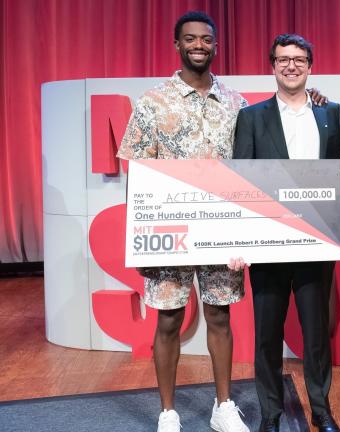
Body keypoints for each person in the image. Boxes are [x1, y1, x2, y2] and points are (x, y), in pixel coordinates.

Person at [230, 34, 340, 432]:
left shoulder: (329, 113)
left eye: (299, 59)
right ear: (272, 65)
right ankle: (271, 414)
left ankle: (321, 411)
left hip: (317, 237)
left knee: (315, 334)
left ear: (311, 66)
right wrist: (238, 240)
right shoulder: (252, 117)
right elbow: (241, 179)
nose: (291, 66)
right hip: (268, 242)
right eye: (283, 59)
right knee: (267, 336)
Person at [117, 11, 250, 432]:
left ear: (215, 46)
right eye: (190, 39)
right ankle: (168, 412)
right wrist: (139, 240)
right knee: (169, 319)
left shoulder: (236, 103)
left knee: (219, 317)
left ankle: (223, 406)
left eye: (206, 39)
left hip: (220, 230)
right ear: (177, 45)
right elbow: (135, 173)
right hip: (169, 233)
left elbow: (248, 171)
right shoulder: (153, 102)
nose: (198, 45)